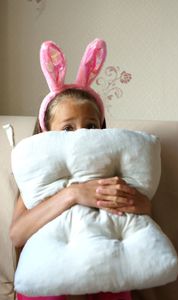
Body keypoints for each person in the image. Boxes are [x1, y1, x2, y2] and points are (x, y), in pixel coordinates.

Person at [10, 40, 151, 300]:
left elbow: (145, 210)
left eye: (91, 126)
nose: (81, 136)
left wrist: (139, 204)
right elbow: (17, 234)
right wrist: (73, 194)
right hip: (51, 270)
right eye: (67, 129)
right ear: (46, 134)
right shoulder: (39, 178)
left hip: (103, 263)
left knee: (114, 283)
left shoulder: (110, 172)